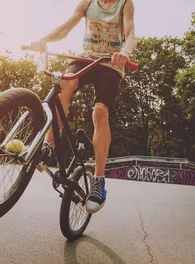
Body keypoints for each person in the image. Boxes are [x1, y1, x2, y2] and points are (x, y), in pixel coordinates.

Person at [27, 0, 136, 213]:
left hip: (110, 64)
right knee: (63, 86)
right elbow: (66, 27)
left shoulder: (125, 3)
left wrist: (126, 53)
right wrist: (43, 40)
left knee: (100, 111)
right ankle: (48, 147)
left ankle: (99, 179)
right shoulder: (88, 2)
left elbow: (130, 33)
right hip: (84, 58)